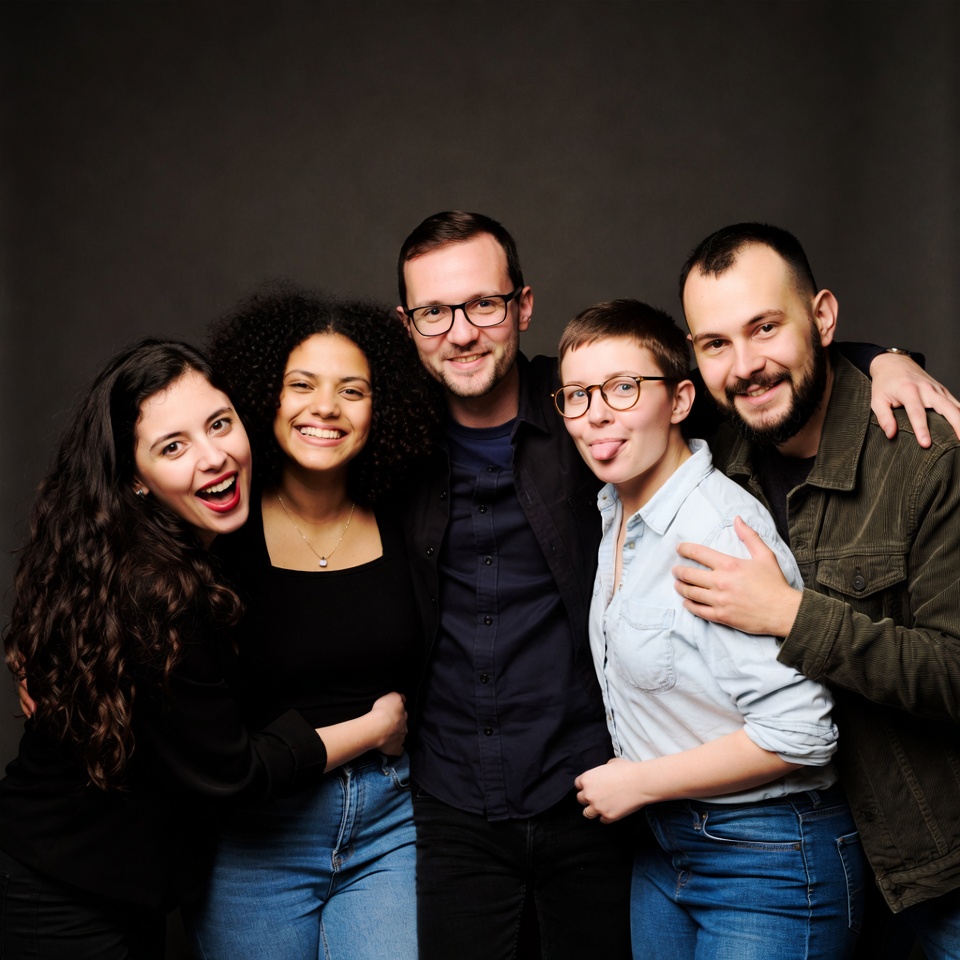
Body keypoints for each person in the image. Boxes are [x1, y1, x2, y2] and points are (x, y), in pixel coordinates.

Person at [392, 210, 948, 960]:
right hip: (634, 841)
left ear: (522, 306)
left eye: (483, 303)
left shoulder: (644, 441)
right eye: (434, 311)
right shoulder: (412, 444)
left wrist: (884, 360)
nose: (460, 330)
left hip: (749, 835)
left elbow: (756, 373)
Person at [0, 339, 407, 959]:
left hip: (115, 886)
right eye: (174, 446)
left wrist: (29, 653)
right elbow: (233, 773)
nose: (214, 457)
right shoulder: (157, 588)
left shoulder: (142, 549)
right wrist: (377, 725)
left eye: (219, 424)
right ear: (134, 479)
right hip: (60, 893)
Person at [675, 222, 960, 960]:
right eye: (714, 343)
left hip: (933, 870)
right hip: (795, 864)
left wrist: (789, 615)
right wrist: (883, 356)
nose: (744, 366)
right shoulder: (714, 446)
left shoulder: (927, 457)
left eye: (765, 327)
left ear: (823, 317)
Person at [556, 298, 864, 959]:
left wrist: (639, 781)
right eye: (577, 395)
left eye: (623, 387)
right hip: (668, 850)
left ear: (679, 399)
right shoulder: (614, 511)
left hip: (768, 856)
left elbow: (804, 733)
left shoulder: (716, 532)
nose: (596, 413)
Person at [184, 287, 436, 960]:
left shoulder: (407, 517)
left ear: (381, 409)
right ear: (265, 394)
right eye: (302, 385)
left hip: (388, 826)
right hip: (257, 838)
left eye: (352, 391)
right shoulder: (217, 530)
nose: (325, 408)